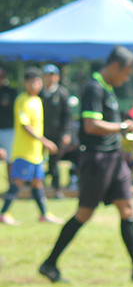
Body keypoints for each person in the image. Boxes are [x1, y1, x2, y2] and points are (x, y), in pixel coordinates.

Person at [37, 45, 133, 284]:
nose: (126, 78)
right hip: (97, 160)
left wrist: (122, 130)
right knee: (84, 213)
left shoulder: (107, 88)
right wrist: (123, 127)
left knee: (127, 210)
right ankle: (49, 263)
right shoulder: (93, 88)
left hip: (114, 159)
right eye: (126, 73)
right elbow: (90, 126)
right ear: (115, 66)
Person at [0, 67, 60, 225]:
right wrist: (45, 141)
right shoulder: (21, 100)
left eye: (38, 82)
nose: (36, 85)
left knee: (37, 182)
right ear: (26, 83)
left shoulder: (38, 100)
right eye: (32, 82)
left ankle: (44, 214)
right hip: (24, 151)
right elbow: (26, 126)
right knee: (18, 181)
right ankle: (3, 213)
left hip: (36, 153)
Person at [41, 64, 74, 198]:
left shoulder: (62, 93)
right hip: (41, 133)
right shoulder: (40, 93)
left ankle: (57, 188)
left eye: (52, 75)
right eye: (47, 76)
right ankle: (37, 187)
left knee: (54, 162)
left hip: (56, 133)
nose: (50, 79)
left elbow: (67, 115)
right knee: (38, 161)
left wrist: (67, 133)